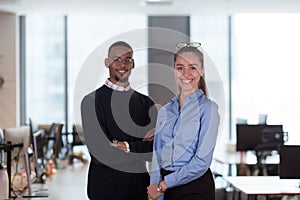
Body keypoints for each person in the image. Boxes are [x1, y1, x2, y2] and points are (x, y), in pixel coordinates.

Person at [81, 41, 157, 200]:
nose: (122, 64)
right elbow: (101, 154)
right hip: (105, 191)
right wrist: (139, 147)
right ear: (107, 62)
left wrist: (124, 146)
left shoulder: (146, 103)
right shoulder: (91, 102)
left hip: (139, 189)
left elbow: (154, 152)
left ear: (133, 64)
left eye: (127, 59)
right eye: (117, 59)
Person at [147, 43, 220, 200]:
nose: (186, 73)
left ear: (202, 70)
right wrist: (156, 191)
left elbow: (201, 162)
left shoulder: (209, 110)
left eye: (192, 67)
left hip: (195, 188)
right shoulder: (165, 111)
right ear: (174, 71)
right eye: (180, 67)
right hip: (165, 189)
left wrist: (163, 185)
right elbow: (157, 157)